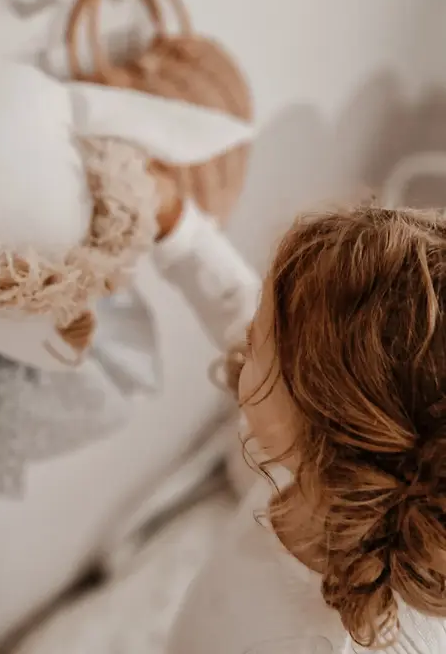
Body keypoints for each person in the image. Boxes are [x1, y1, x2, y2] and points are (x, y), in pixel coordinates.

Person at [150, 165, 446, 652]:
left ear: (326, 422)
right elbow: (239, 308)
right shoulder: (323, 467)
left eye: (256, 343)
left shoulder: (316, 639)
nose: (242, 347)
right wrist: (180, 231)